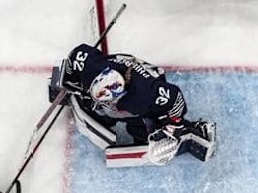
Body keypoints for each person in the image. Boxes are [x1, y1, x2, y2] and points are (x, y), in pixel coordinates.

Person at [49, 43, 216, 166]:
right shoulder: (93, 68)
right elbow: (79, 53)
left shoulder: (145, 95)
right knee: (95, 110)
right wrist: (70, 75)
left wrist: (173, 123)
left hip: (150, 81)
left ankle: (198, 130)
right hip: (122, 76)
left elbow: (175, 98)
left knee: (140, 131)